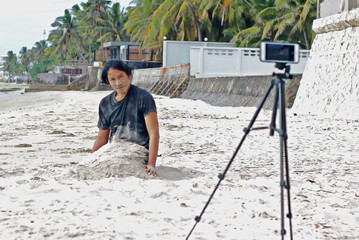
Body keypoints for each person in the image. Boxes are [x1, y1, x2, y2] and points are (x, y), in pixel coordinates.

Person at [92, 60, 160, 176]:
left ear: (129, 75)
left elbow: (154, 133)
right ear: (108, 81)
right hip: (114, 149)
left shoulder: (143, 97)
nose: (118, 83)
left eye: (120, 77)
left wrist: (151, 164)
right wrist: (92, 159)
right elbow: (102, 138)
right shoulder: (105, 103)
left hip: (138, 152)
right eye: (112, 79)